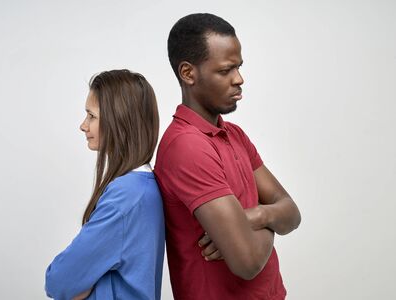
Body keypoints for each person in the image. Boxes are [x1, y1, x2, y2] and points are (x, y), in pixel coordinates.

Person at [154, 13, 301, 300]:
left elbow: (292, 213)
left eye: (239, 67)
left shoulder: (234, 134)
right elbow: (246, 262)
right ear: (188, 73)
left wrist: (255, 216)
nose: (239, 79)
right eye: (225, 71)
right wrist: (271, 220)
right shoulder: (186, 147)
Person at [45, 69, 165, 300]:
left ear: (118, 119)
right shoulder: (145, 186)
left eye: (91, 116)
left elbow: (58, 281)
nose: (83, 125)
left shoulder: (126, 195)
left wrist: (85, 284)